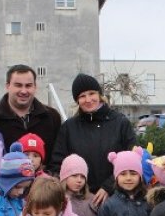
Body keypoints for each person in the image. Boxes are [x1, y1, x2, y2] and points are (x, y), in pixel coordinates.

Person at [48, 73, 136, 207]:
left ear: (99, 95)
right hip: (80, 201)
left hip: (117, 198)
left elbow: (133, 159)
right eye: (82, 96)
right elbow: (57, 164)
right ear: (77, 100)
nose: (88, 99)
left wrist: (109, 186)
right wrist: (78, 189)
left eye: (91, 93)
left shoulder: (120, 122)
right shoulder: (68, 128)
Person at [0, 65, 63, 166]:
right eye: (18, 85)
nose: (23, 91)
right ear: (7, 86)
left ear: (35, 87)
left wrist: (48, 179)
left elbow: (58, 158)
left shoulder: (52, 117)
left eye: (28, 86)